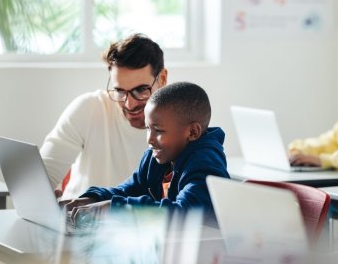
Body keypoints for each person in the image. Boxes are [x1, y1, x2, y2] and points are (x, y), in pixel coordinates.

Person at [63, 82, 230, 223]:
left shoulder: (206, 163)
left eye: (158, 131)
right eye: (148, 128)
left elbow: (184, 213)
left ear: (192, 132)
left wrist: (114, 208)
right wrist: (92, 199)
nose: (149, 139)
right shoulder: (155, 157)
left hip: (204, 254)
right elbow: (128, 190)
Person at [40, 34, 168, 200]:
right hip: (76, 220)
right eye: (120, 91)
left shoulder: (183, 126)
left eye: (141, 90)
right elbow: (42, 177)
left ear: (163, 79)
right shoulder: (89, 109)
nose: (129, 104)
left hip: (143, 224)